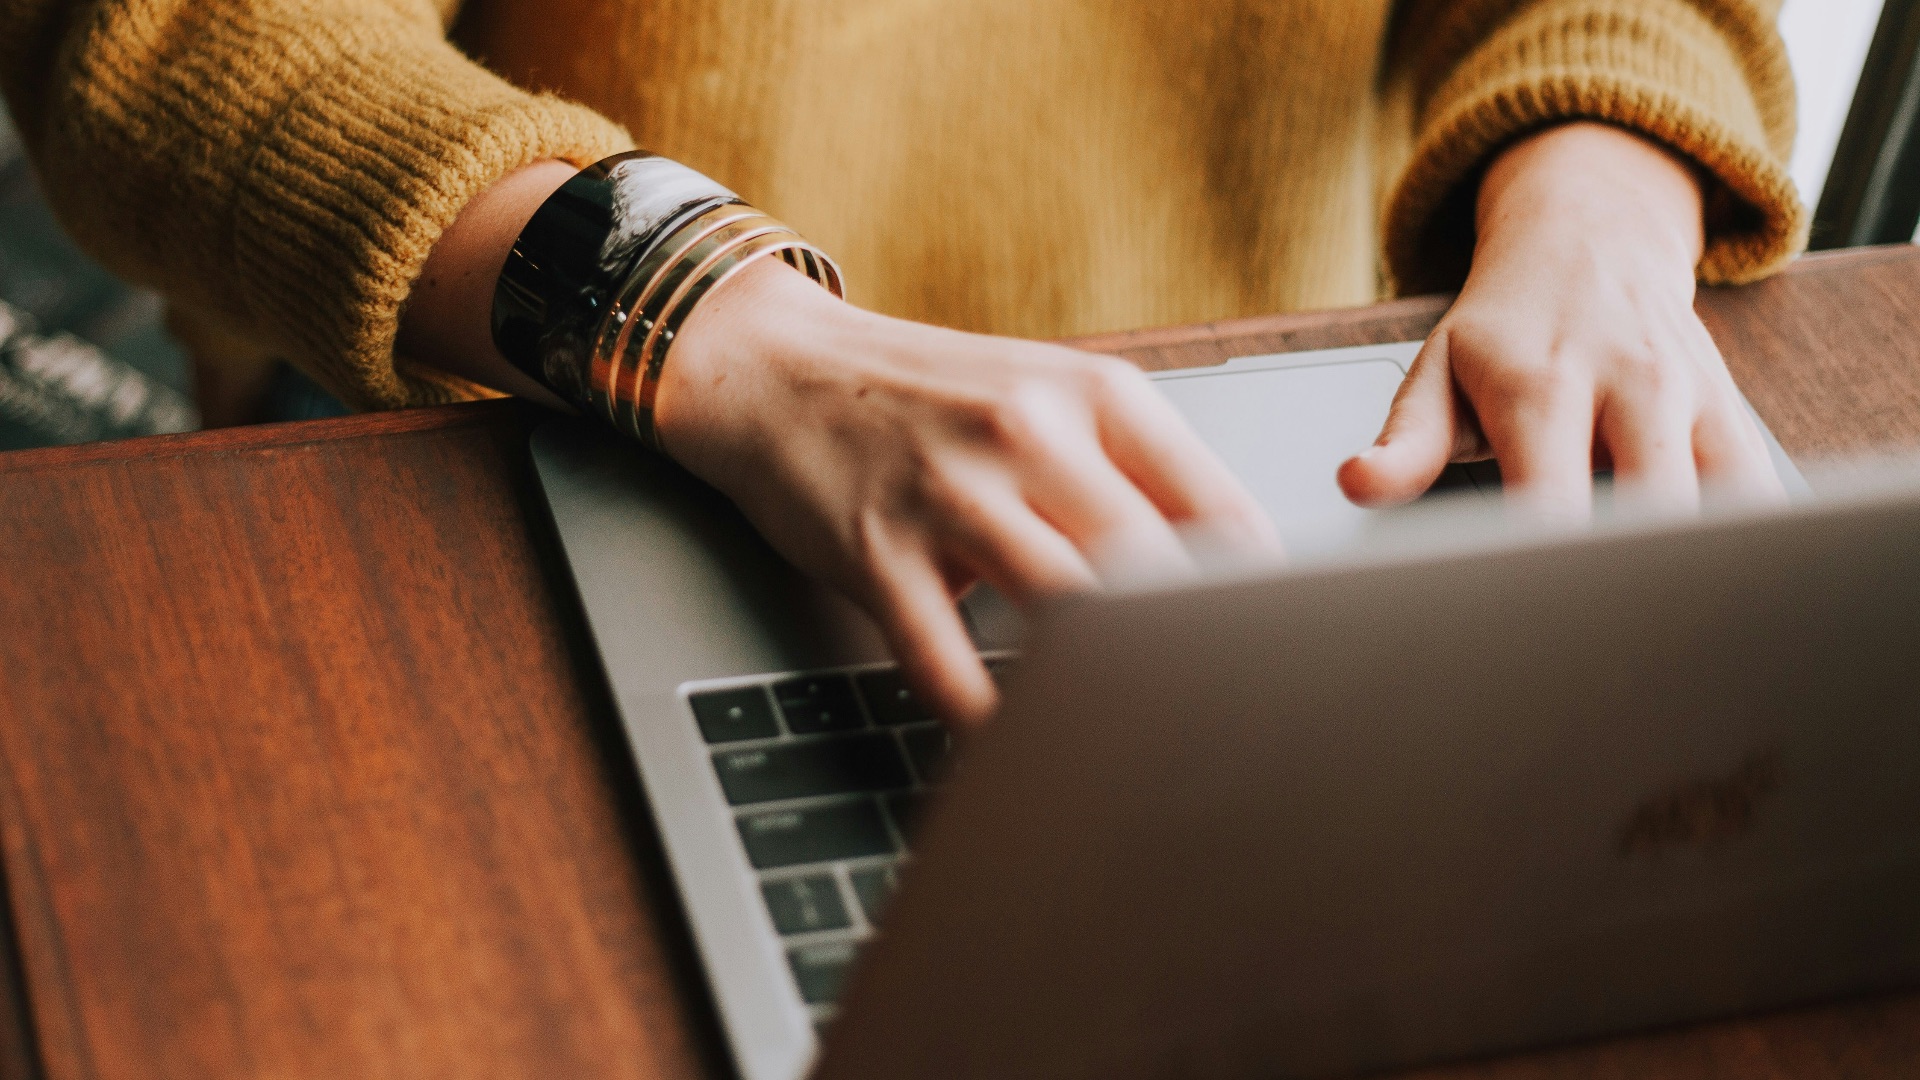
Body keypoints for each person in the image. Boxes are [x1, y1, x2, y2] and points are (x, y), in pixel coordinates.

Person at [0, 0, 1805, 721]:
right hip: (518, 401)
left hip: (1253, 455)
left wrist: (1600, 199)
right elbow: (165, 35)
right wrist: (716, 317)